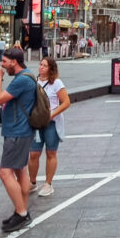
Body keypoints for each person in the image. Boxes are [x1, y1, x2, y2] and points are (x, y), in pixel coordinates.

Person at [0, 47, 37, 231]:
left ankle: (22, 213)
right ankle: (22, 209)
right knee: (20, 171)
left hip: (17, 132)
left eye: (4, 62)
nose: (2, 65)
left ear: (14, 62)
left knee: (5, 172)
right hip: (21, 130)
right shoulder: (27, 76)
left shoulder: (21, 80)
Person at [28, 57, 70, 198]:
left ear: (51, 69)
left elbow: (66, 102)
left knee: (51, 153)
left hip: (51, 123)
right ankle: (32, 182)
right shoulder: (34, 82)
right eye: (40, 64)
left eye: (44, 66)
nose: (41, 67)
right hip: (37, 122)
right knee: (34, 153)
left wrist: (52, 114)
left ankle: (48, 184)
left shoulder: (56, 83)